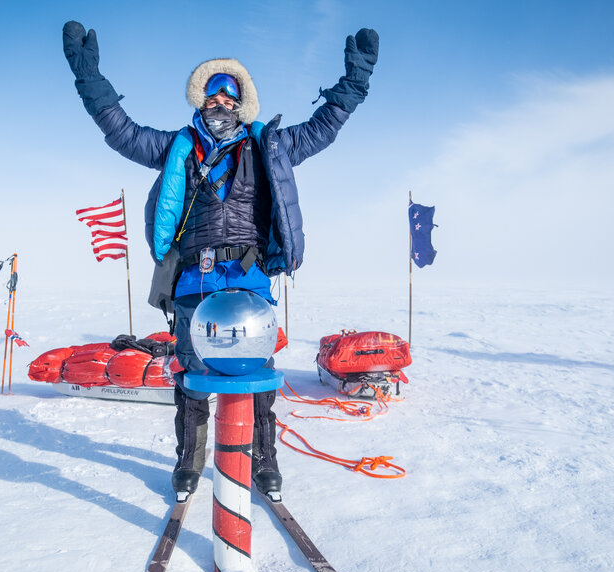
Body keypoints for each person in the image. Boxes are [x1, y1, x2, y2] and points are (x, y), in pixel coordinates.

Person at [62, 21, 379, 499]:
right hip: (195, 280)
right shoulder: (177, 148)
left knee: (256, 376)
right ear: (200, 101)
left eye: (230, 97)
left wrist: (355, 80)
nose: (221, 104)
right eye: (213, 96)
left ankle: (264, 461)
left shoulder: (267, 145)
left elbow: (323, 127)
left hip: (250, 277)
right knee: (191, 378)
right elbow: (120, 131)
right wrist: (88, 77)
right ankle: (188, 465)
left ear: (242, 102)